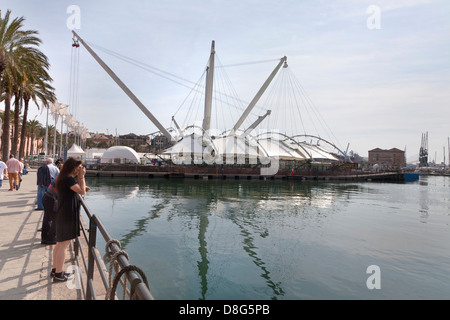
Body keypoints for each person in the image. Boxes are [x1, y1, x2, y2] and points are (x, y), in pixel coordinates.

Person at [51, 157, 87, 282]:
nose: (80, 170)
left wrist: (80, 182)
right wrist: (82, 176)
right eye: (78, 167)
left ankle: (55, 269)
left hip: (63, 213)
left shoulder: (64, 178)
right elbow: (82, 191)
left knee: (59, 244)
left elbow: (78, 190)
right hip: (67, 215)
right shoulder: (68, 179)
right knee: (64, 245)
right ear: (73, 167)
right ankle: (59, 274)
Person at [41, 180, 58, 245]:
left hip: (47, 197)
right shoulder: (66, 178)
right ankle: (51, 239)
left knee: (47, 219)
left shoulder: (61, 176)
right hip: (51, 199)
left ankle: (45, 238)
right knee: (56, 220)